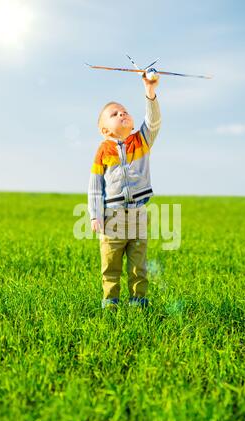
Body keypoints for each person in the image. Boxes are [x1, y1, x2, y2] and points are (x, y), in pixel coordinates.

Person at [88, 73, 161, 310]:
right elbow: (95, 186)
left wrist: (149, 91)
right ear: (105, 130)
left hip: (138, 215)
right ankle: (110, 303)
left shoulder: (141, 141)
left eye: (124, 111)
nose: (122, 113)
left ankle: (139, 303)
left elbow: (153, 122)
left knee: (138, 265)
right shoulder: (102, 151)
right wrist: (94, 214)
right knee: (111, 264)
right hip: (112, 218)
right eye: (114, 113)